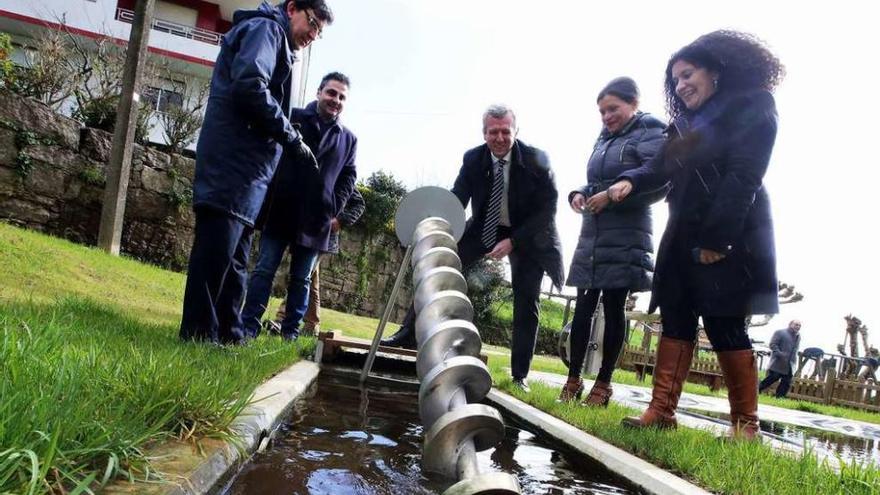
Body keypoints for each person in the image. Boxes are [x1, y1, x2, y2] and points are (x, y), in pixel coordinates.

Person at [608, 30, 785, 439]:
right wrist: (628, 182)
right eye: (675, 80)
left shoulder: (753, 105)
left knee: (724, 322)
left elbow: (745, 176)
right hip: (681, 230)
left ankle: (745, 424)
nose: (681, 85)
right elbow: (658, 168)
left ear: (715, 71)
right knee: (676, 316)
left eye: (688, 75)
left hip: (731, 231)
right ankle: (661, 411)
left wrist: (715, 240)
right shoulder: (686, 123)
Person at [381, 104, 565, 392]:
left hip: (530, 233)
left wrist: (514, 241)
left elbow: (548, 210)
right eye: (494, 132)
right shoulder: (473, 158)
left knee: (527, 299)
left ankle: (520, 376)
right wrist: (436, 224)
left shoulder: (536, 161)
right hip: (484, 226)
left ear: (516, 130)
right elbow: (457, 198)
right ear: (484, 133)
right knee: (439, 267)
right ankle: (407, 333)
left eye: (506, 131)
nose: (500, 138)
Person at [179, 0, 333, 344]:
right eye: (312, 24)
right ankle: (198, 335)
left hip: (249, 171)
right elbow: (250, 85)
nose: (312, 35)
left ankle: (230, 334)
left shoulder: (277, 37)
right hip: (232, 162)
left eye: (319, 33)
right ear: (292, 8)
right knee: (216, 254)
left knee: (235, 260)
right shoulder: (266, 29)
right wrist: (292, 138)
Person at [559, 77, 667, 405]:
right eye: (602, 111)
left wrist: (616, 195)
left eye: (613, 109)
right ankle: (573, 377)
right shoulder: (604, 138)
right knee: (584, 306)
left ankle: (603, 384)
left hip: (628, 231)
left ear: (633, 104)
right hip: (594, 231)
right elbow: (598, 181)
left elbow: (658, 179)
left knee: (615, 306)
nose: (607, 116)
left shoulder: (650, 130)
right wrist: (580, 192)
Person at [241, 71, 357, 341]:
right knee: (264, 269)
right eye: (331, 93)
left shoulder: (349, 139)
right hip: (281, 208)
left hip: (317, 219)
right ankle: (248, 326)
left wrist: (334, 208)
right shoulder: (292, 117)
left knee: (302, 279)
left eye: (341, 97)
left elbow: (349, 176)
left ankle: (290, 334)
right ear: (319, 92)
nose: (335, 100)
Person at [266, 188, 366, 335]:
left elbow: (359, 204)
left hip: (323, 237)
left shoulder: (338, 172)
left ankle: (282, 319)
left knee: (301, 278)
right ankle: (312, 324)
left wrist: (340, 220)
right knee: (311, 280)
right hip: (304, 232)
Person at [758, 320, 802, 397]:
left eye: (799, 325)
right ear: (790, 324)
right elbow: (773, 344)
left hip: (790, 364)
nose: (798, 327)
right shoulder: (780, 332)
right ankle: (756, 390)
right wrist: (780, 354)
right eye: (796, 324)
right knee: (772, 378)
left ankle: (779, 397)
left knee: (786, 382)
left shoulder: (798, 336)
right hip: (778, 362)